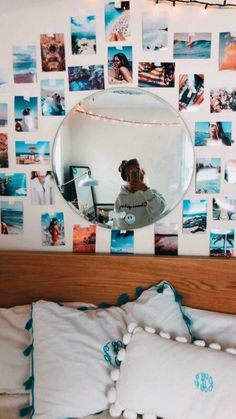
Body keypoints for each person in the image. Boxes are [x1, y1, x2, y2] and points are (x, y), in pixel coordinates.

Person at [113, 159, 166, 229]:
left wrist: (146, 190)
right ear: (126, 177)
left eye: (138, 171)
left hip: (147, 236)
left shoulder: (153, 193)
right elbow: (119, 225)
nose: (136, 175)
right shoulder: (120, 199)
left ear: (142, 173)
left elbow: (158, 211)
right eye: (132, 173)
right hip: (129, 237)